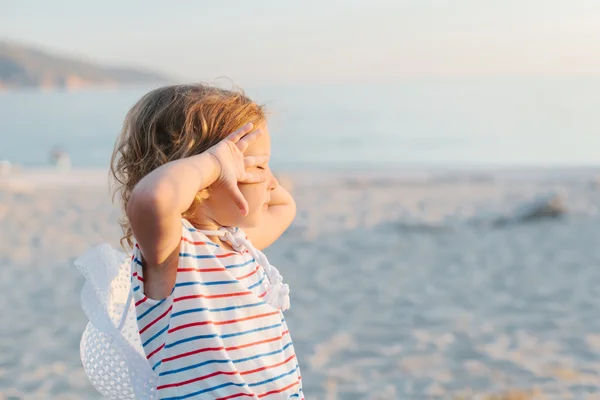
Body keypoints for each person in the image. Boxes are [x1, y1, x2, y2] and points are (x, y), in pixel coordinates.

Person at [76, 84, 303, 399]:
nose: (273, 181)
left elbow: (284, 206)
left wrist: (252, 170)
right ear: (205, 181)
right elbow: (153, 197)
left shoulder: (238, 243)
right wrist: (212, 163)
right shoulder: (174, 252)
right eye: (259, 167)